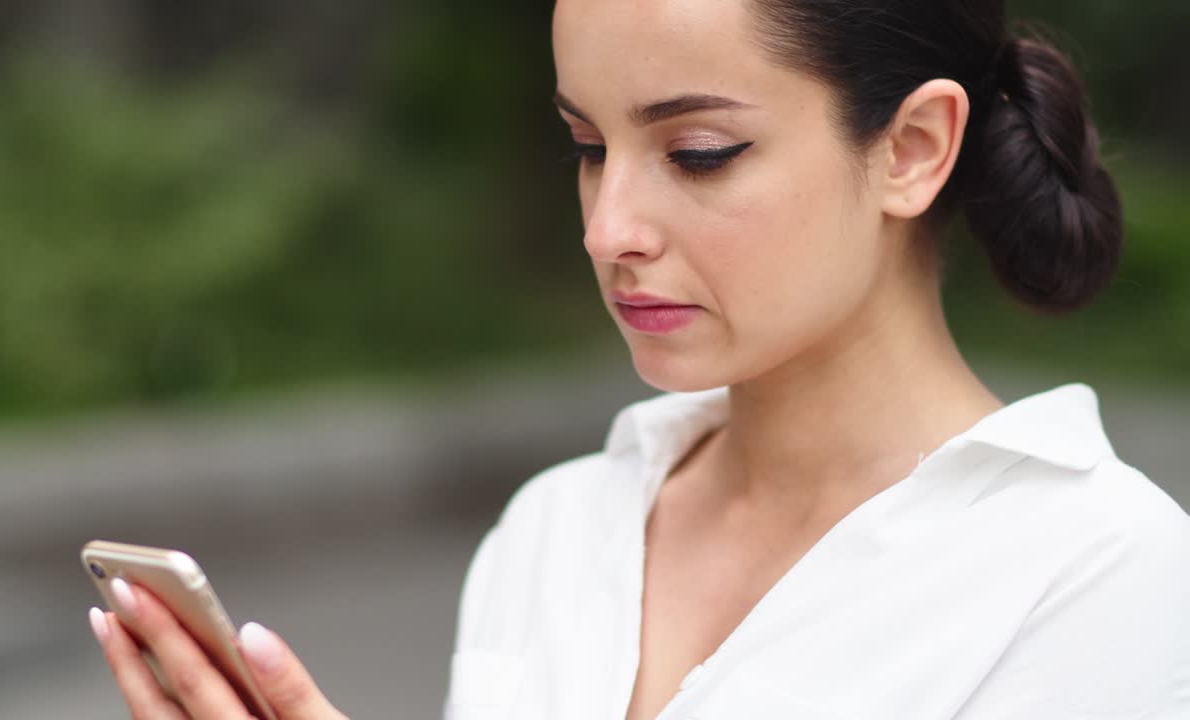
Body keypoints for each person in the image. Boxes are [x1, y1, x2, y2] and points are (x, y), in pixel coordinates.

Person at [88, 0, 1190, 718]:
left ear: (911, 148)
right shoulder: (553, 532)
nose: (608, 225)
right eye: (586, 146)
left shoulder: (1098, 575)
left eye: (697, 154)